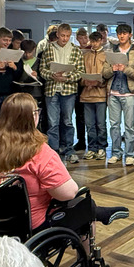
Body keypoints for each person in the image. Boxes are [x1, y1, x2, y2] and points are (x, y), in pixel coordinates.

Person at [0, 94, 127, 230]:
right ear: (33, 116)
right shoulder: (38, 152)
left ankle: (96, 211)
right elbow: (68, 193)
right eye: (37, 111)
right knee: (81, 204)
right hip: (26, 226)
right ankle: (90, 242)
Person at [39, 23, 84, 164]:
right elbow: (42, 70)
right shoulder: (48, 48)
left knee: (67, 121)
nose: (65, 39)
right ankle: (54, 153)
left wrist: (67, 78)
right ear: (57, 34)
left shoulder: (76, 50)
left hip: (68, 90)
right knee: (52, 123)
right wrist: (52, 75)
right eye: (62, 35)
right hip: (52, 89)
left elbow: (80, 72)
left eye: (67, 36)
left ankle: (69, 150)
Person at [106, 24, 134, 166]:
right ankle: (116, 153)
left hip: (129, 94)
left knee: (129, 126)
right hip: (113, 93)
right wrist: (112, 69)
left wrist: (126, 69)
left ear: (129, 35)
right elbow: (104, 73)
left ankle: (129, 154)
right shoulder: (111, 51)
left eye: (124, 33)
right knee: (114, 125)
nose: (121, 36)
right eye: (119, 33)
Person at [80, 32, 111, 161]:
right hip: (86, 95)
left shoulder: (106, 55)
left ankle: (102, 147)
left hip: (101, 95)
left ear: (101, 41)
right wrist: (85, 82)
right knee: (89, 124)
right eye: (92, 41)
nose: (94, 44)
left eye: (97, 41)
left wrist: (100, 82)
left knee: (101, 124)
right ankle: (92, 148)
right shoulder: (85, 55)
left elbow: (109, 75)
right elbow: (80, 74)